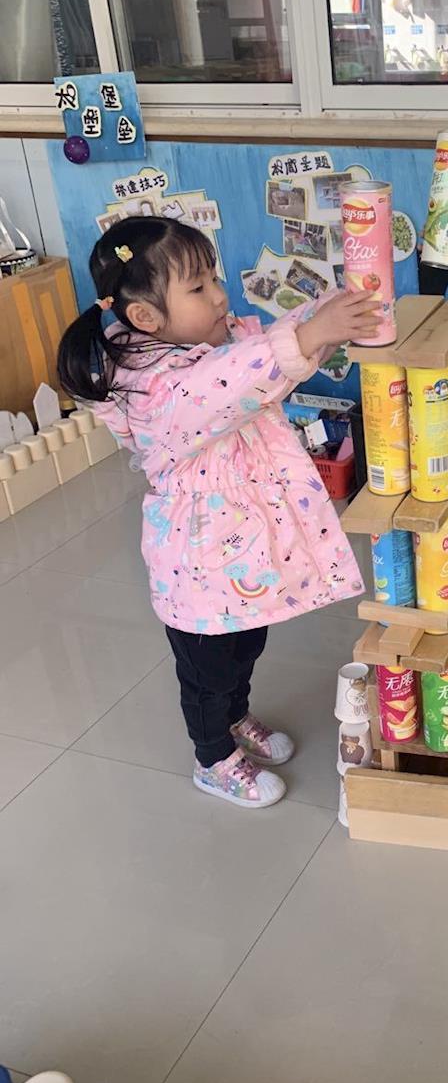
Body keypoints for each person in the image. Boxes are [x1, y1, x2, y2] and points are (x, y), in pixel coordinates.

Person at [57, 216, 381, 805]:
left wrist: (324, 316)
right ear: (146, 317)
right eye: (199, 287)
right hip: (197, 566)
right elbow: (229, 383)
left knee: (243, 647)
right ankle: (212, 757)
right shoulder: (153, 386)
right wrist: (312, 334)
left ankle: (235, 719)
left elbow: (260, 364)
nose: (220, 296)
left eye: (215, 277)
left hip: (238, 556)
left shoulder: (202, 344)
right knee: (208, 673)